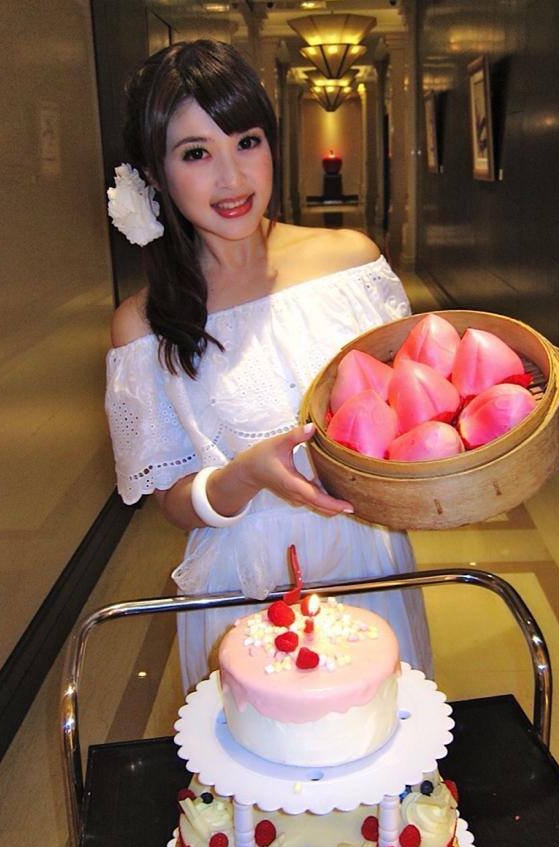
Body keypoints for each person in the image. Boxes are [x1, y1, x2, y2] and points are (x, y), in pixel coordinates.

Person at [105, 39, 432, 691]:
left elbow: (408, 409)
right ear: (156, 174)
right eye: (196, 153)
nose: (233, 179)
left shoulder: (349, 261)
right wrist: (245, 476)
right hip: (240, 583)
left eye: (247, 142)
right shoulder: (143, 323)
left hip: (366, 556)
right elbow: (174, 500)